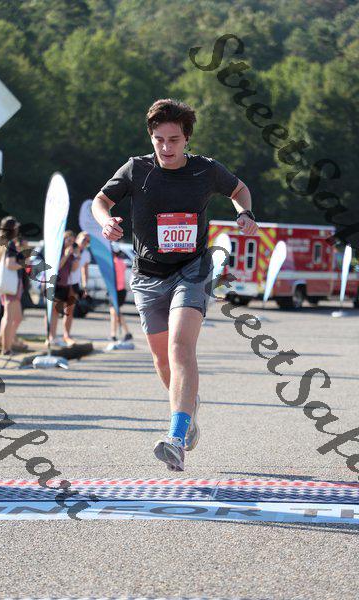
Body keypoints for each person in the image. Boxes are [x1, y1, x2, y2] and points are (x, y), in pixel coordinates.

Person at [92, 98, 258, 471]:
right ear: (151, 138)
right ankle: (188, 409)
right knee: (161, 359)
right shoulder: (136, 169)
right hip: (148, 276)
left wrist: (244, 213)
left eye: (174, 140)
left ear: (187, 139)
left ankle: (176, 437)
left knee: (180, 347)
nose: (166, 148)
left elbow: (239, 190)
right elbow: (100, 201)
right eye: (159, 140)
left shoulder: (206, 170)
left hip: (191, 269)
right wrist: (105, 221)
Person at [0, 217, 25, 355]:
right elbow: (9, 264)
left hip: (8, 284)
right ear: (12, 228)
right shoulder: (10, 243)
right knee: (9, 317)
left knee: (16, 318)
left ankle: (2, 340)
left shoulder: (2, 243)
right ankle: (6, 348)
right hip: (11, 285)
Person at [47, 230, 80, 346]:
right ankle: (51, 336)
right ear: (63, 239)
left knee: (58, 311)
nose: (70, 243)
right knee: (53, 311)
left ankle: (54, 336)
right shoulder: (58, 251)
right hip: (55, 283)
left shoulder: (70, 253)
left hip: (64, 284)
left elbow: (74, 269)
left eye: (72, 241)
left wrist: (76, 256)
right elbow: (57, 267)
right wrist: (66, 255)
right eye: (68, 240)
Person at [109, 242, 133, 342]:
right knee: (115, 312)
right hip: (121, 290)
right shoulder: (121, 262)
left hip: (116, 291)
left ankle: (115, 334)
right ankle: (121, 333)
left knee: (115, 313)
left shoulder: (113, 263)